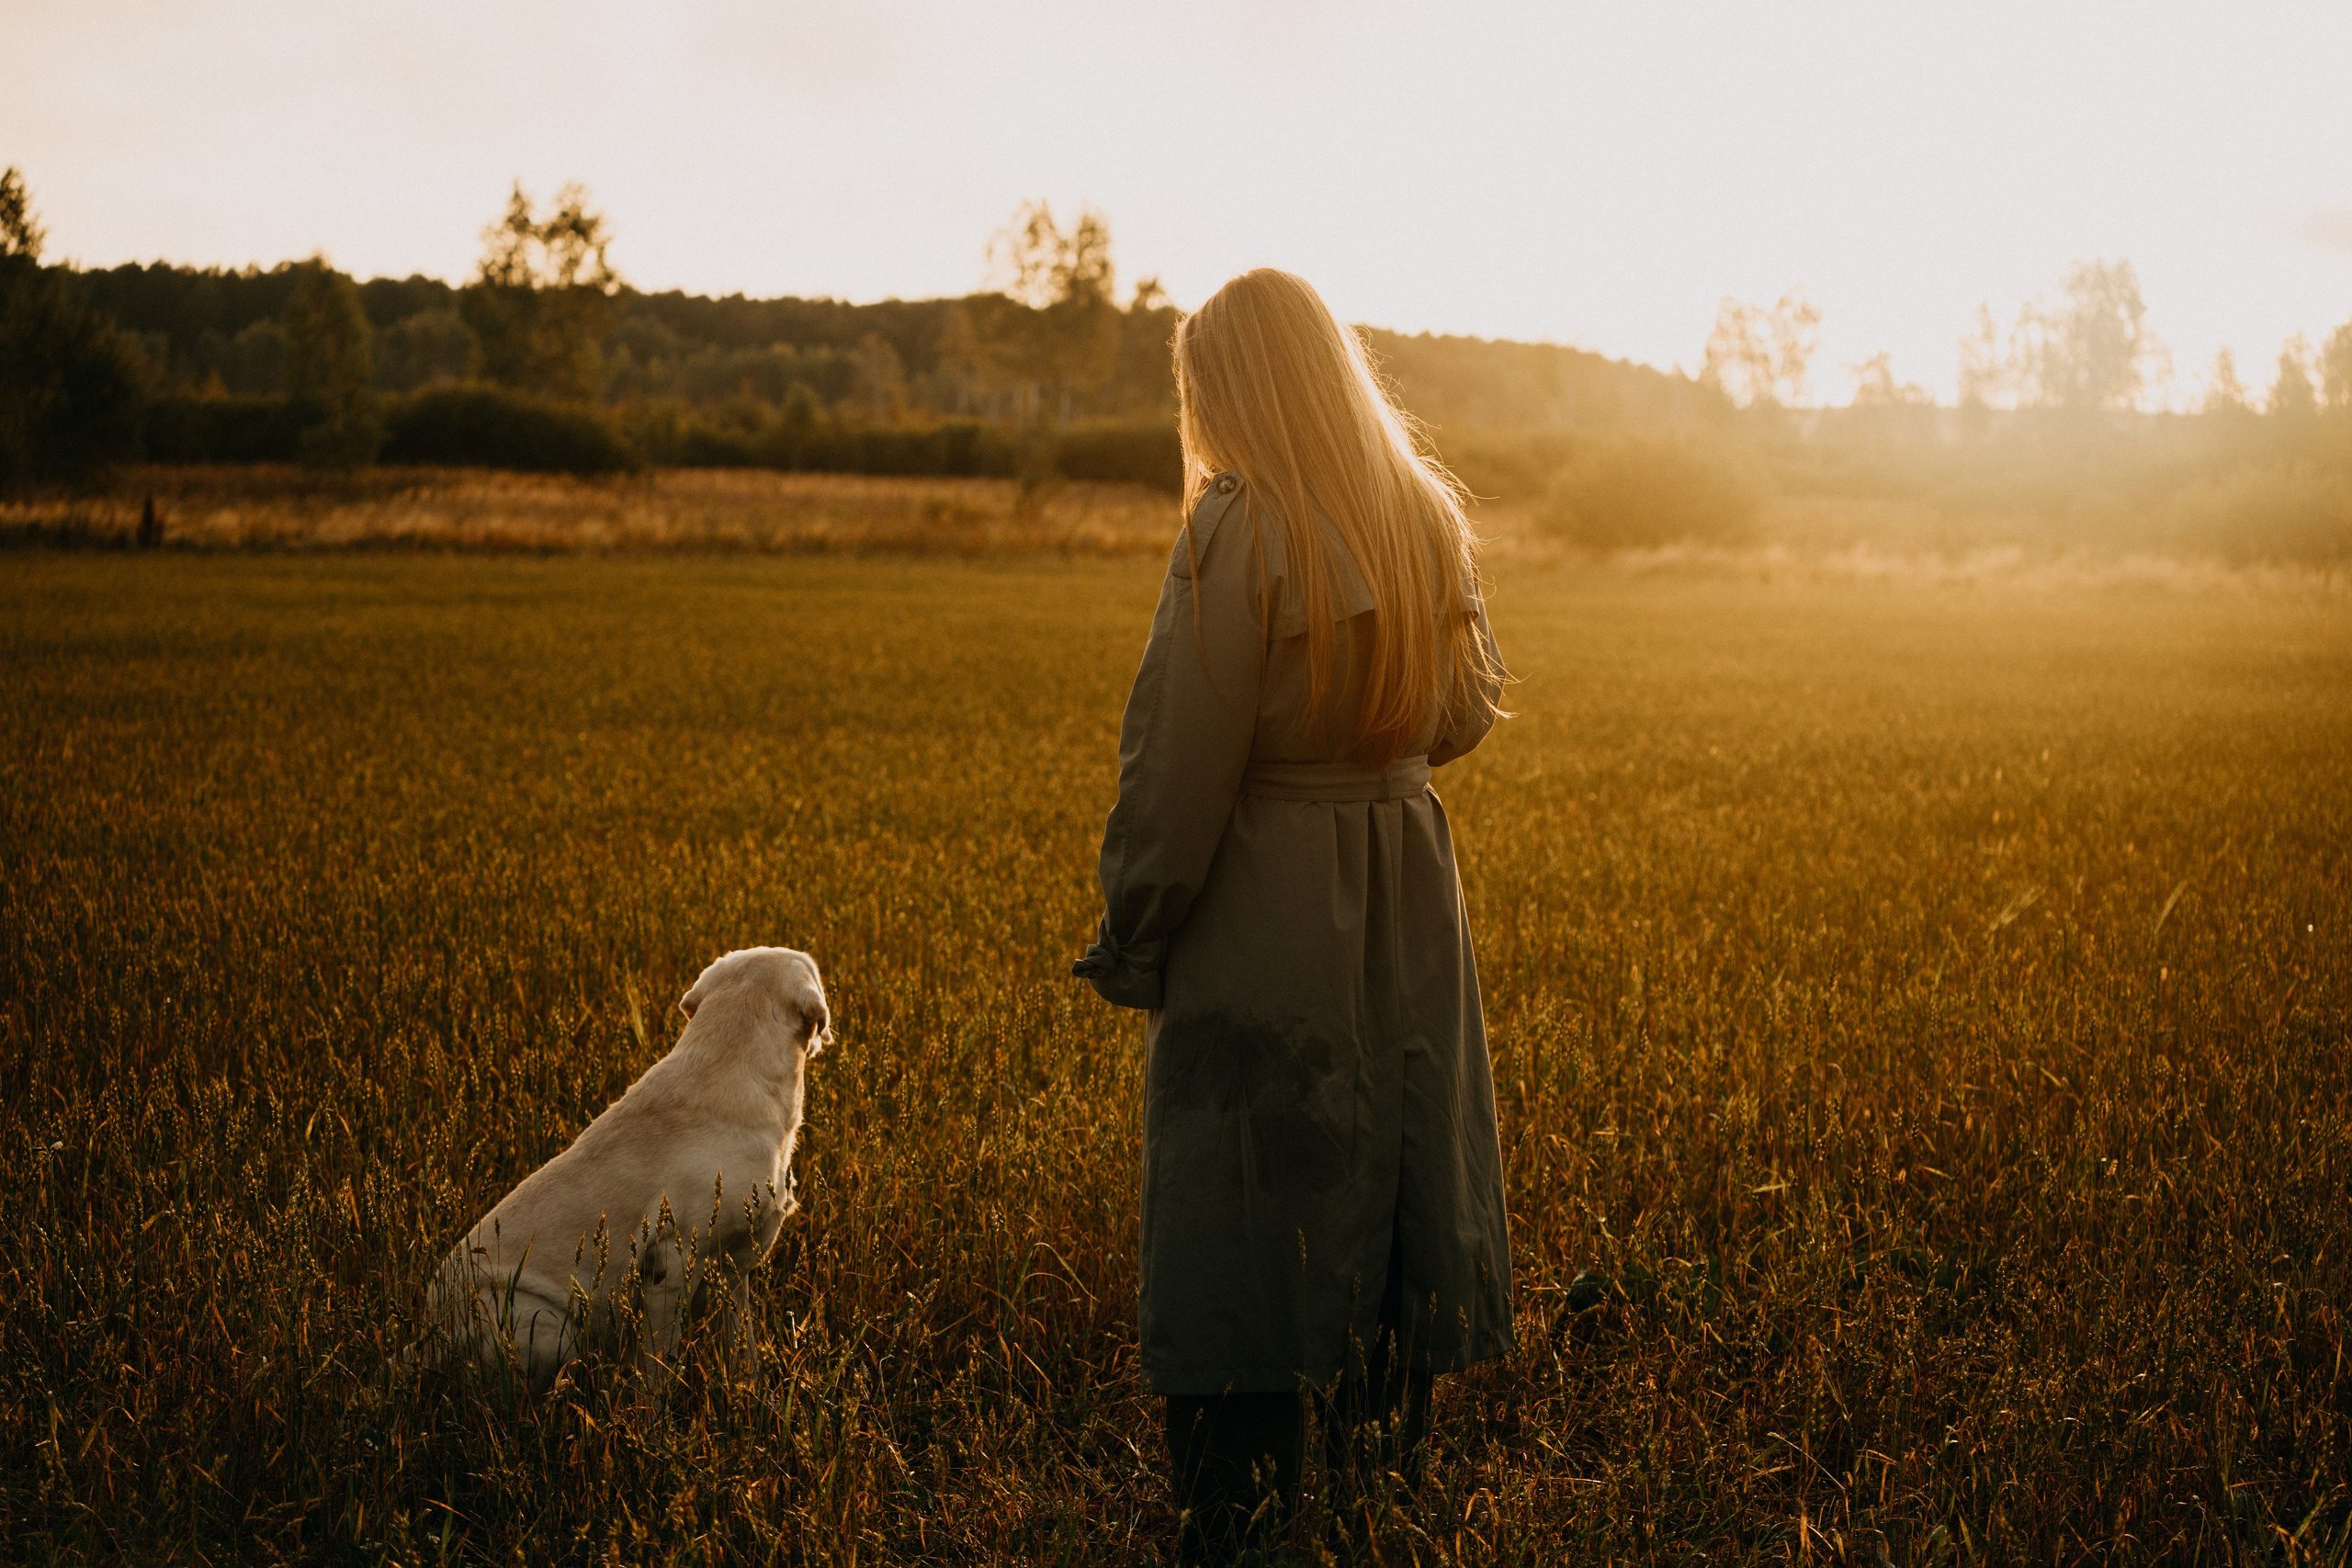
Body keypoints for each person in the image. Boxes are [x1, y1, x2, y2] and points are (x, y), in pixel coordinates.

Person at [1073, 267, 1513, 1562]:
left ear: (1232, 393)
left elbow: (1176, 764)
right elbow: (1468, 715)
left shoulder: (1234, 526)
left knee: (1242, 1203)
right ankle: (1386, 1494)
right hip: (1408, 884)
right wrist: (1375, 776)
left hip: (1267, 887)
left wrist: (1136, 931)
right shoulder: (1424, 515)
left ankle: (1240, 1519)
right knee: (1399, 1174)